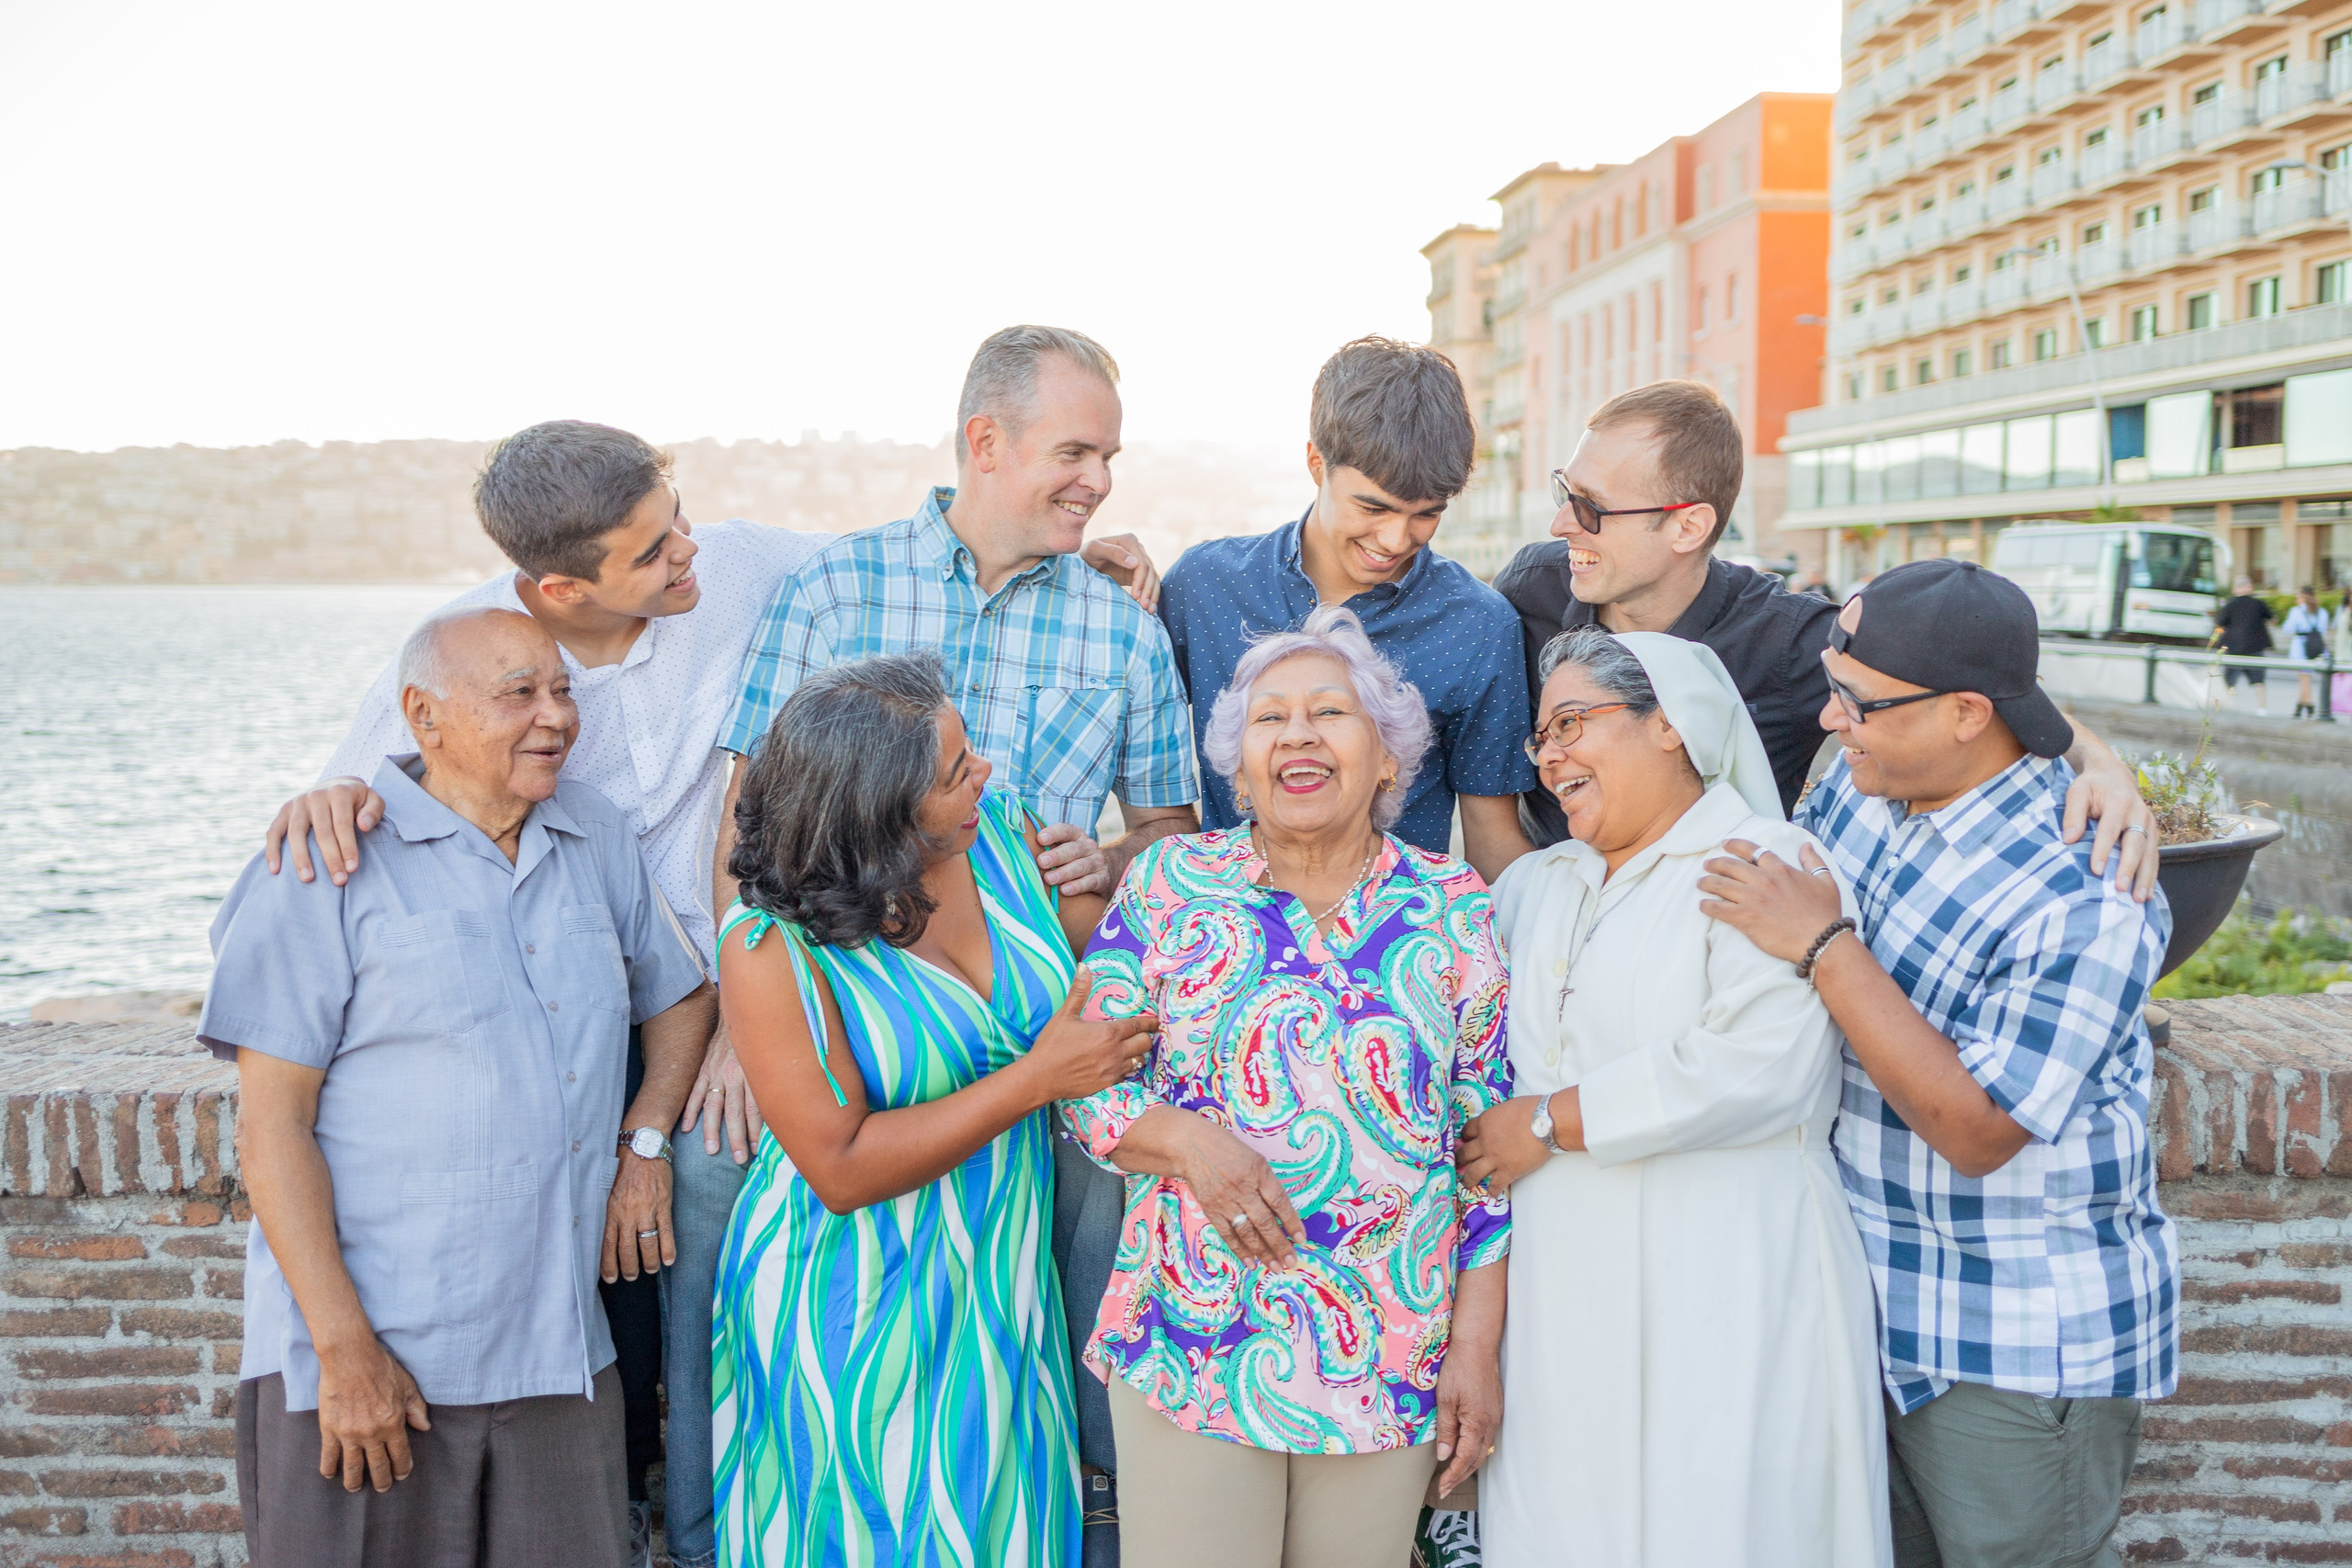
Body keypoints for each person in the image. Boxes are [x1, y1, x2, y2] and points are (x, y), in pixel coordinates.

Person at [251, 420, 1158, 1568]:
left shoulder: (740, 568)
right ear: (558, 587)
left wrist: (1086, 559)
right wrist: (321, 797)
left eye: (676, 522)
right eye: (650, 551)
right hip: (733, 1005)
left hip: (707, 1016)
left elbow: (931, 547)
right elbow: (387, 758)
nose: (685, 553)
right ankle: (693, 1527)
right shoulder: (482, 647)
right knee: (677, 1272)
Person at [712, 325, 1201, 1561]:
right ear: (988, 440)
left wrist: (1113, 873)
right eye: (1075, 449)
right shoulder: (831, 590)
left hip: (1004, 1253)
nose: (1097, 480)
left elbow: (1169, 860)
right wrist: (735, 1029)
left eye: (1111, 455)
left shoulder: (1114, 653)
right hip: (855, 1261)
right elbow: (747, 823)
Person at [202, 607, 715, 1568]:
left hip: (560, 1359)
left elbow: (680, 996)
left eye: (562, 690)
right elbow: (272, 1131)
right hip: (370, 1367)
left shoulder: (593, 834)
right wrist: (344, 1350)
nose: (555, 716)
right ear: (422, 716)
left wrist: (642, 1143)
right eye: (518, 693)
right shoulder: (325, 862)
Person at [1699, 559, 2178, 1568]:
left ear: (1967, 713)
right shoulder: (1869, 786)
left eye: (1856, 702)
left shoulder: (2086, 887)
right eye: (1832, 686)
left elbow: (1976, 1129)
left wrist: (1824, 944)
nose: (1831, 722)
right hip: (1867, 1311)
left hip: (2006, 1345)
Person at [1061, 605, 1512, 1568]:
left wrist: (1474, 1346)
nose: (1298, 734)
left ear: (1389, 760)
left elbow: (1487, 1151)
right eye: (1270, 720)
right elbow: (1084, 1082)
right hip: (1192, 1334)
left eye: (1329, 714)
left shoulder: (1453, 906)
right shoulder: (1170, 884)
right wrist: (1189, 1144)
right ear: (1239, 767)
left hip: (1389, 1346)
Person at [708, 652, 1154, 1566]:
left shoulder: (996, 839)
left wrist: (1101, 886)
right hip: (846, 1301)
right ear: (877, 811)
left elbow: (1091, 976)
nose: (983, 771)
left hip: (997, 1283)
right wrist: (1037, 1080)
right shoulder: (769, 947)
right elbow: (838, 1167)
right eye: (956, 770)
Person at [1455, 626, 1888, 1568]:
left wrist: (1547, 1121)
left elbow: (1765, 1064)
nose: (1552, 753)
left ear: (1671, 726)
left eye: (1573, 722)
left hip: (1729, 1271)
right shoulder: (1533, 886)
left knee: (1726, 1523)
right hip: (1559, 1298)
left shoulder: (1761, 861)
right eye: (1542, 737)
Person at [1491, 380, 2162, 897]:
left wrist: (2105, 769)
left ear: (1688, 527)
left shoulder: (1787, 637)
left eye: (1590, 507)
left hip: (1717, 938)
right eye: (1564, 492)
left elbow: (1975, 686)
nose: (1560, 523)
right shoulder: (1533, 590)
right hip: (1552, 909)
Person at [1157, 337, 1535, 884]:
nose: (1395, 538)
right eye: (1372, 506)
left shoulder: (1479, 624)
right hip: (1226, 939)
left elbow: (1491, 838)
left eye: (1427, 514)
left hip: (1400, 946)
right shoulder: (1203, 585)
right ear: (1316, 462)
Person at [2211, 575, 2275, 716]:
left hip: (2234, 647)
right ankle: (2262, 708)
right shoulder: (2258, 604)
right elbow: (2272, 619)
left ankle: (2224, 707)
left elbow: (2219, 623)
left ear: (2235, 589)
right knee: (2259, 679)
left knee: (2229, 680)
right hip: (2255, 646)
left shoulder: (2230, 604)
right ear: (2250, 587)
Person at [2282, 584, 2331, 719]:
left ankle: (2308, 705)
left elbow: (2288, 629)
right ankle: (2302, 705)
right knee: (2306, 678)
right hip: (2316, 647)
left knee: (2304, 679)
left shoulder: (2296, 612)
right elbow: (2324, 630)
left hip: (2301, 647)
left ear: (2303, 597)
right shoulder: (2322, 612)